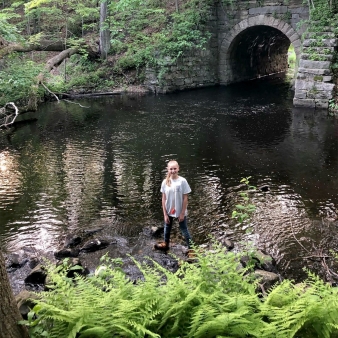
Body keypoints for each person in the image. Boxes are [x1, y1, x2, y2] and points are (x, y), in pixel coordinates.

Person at [154, 160, 193, 253]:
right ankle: (166, 244)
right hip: (169, 210)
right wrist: (165, 214)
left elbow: (185, 198)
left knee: (184, 230)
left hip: (180, 210)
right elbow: (163, 198)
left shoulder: (182, 181)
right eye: (171, 169)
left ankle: (192, 248)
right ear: (168, 169)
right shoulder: (165, 182)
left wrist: (182, 213)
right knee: (167, 228)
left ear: (178, 168)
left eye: (175, 168)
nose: (173, 171)